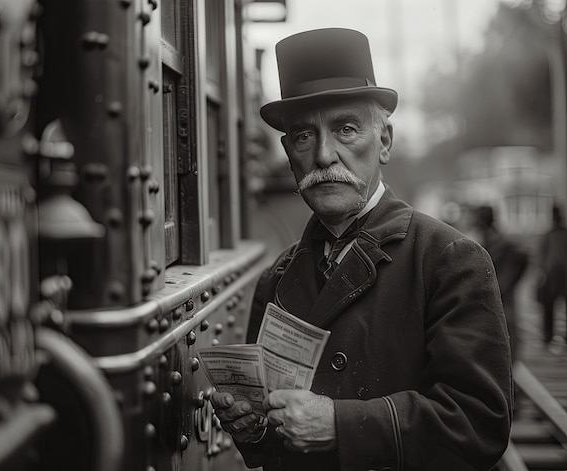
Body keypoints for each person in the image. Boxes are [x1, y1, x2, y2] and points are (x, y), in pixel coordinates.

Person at [211, 28, 512, 471]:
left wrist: (339, 424)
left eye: (346, 129)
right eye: (303, 137)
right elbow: (269, 449)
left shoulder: (450, 260)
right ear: (288, 152)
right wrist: (253, 429)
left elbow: (480, 424)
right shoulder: (276, 279)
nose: (324, 156)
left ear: (384, 141)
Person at [473, 205, 528, 362]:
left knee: (507, 329)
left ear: (482, 221)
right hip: (496, 294)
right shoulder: (488, 240)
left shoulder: (500, 242)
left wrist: (508, 282)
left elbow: (523, 258)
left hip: (502, 296)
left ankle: (510, 366)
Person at [537, 204, 567, 349]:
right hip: (558, 274)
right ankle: (548, 336)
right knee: (549, 306)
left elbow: (542, 257)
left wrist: (542, 273)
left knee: (548, 306)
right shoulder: (558, 234)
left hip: (552, 275)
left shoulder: (549, 235)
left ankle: (548, 336)